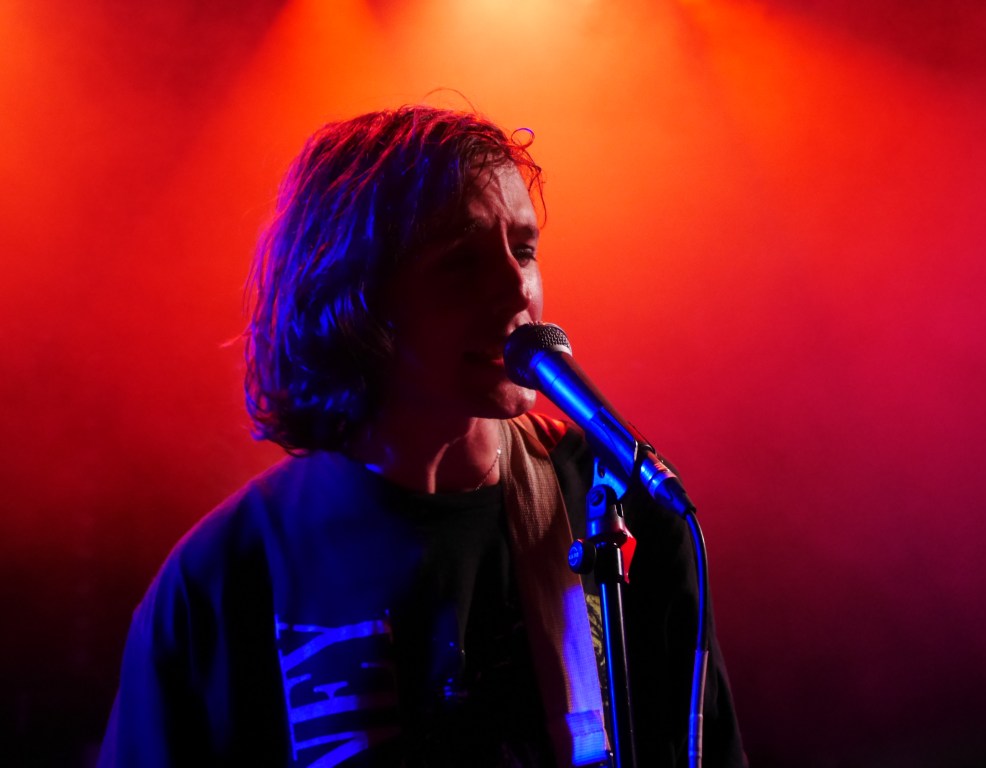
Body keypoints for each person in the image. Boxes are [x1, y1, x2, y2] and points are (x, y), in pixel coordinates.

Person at [99, 105, 747, 767]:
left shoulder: (622, 508)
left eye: (524, 249)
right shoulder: (223, 576)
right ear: (356, 299)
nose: (516, 288)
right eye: (461, 261)